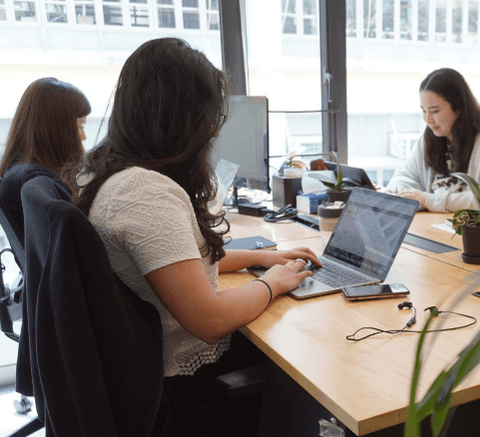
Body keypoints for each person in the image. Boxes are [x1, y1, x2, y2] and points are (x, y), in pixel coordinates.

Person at [74, 38, 321, 435]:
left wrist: (260, 258)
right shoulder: (144, 192)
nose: (212, 129)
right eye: (207, 114)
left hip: (144, 373)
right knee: (307, 347)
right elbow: (210, 318)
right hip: (180, 391)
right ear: (182, 117)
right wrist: (273, 284)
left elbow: (171, 262)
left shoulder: (110, 170)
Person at [385, 68, 480, 212]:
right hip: (434, 224)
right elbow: (407, 175)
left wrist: (430, 200)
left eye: (434, 111)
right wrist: (397, 191)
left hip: (470, 229)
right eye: (424, 110)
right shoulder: (430, 137)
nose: (428, 119)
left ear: (458, 107)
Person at [0, 77, 90, 237]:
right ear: (56, 130)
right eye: (80, 127)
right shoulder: (36, 182)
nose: (83, 137)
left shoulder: (20, 174)